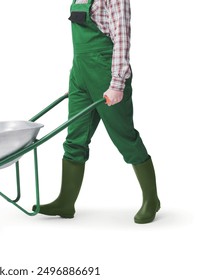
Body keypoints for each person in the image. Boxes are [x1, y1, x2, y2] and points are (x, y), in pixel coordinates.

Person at [33, 0, 160, 223]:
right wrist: (80, 78)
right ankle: (66, 202)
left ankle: (152, 199)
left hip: (105, 74)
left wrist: (117, 83)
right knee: (75, 139)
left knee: (125, 138)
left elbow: (121, 38)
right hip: (80, 74)